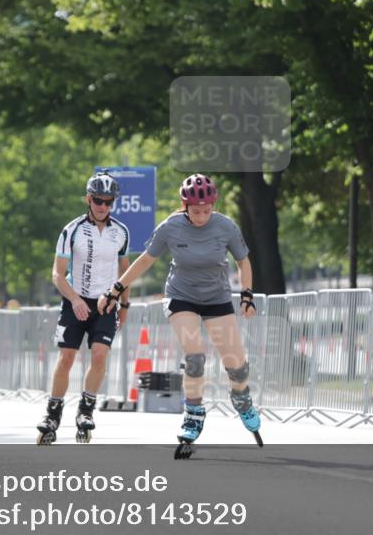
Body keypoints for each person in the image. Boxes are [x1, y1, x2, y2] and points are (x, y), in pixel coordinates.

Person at [98, 173, 261, 458]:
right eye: (195, 211)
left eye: (207, 211)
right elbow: (146, 260)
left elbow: (243, 261)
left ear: (214, 205)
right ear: (184, 206)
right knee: (195, 358)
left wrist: (247, 295)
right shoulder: (171, 227)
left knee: (237, 366)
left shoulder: (225, 226)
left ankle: (241, 397)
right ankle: (194, 413)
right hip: (181, 296)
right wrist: (116, 289)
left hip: (217, 298)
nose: (201, 217)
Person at [38, 171, 131, 444]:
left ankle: (86, 410)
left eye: (109, 202)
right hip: (74, 299)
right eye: (98, 201)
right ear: (89, 200)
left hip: (106, 303)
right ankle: (52, 413)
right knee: (67, 358)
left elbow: (125, 273)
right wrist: (75, 300)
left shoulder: (121, 232)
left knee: (100, 356)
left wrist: (124, 305)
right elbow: (57, 274)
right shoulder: (72, 230)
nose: (103, 206)